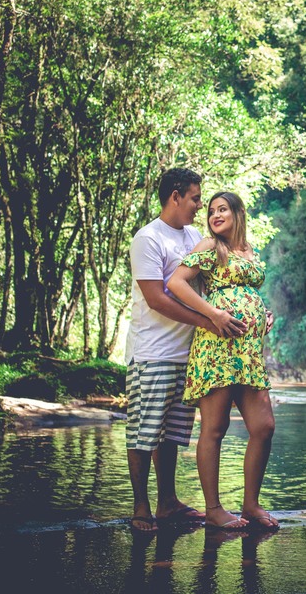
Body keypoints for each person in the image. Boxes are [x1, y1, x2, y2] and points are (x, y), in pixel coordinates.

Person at [124, 168, 238, 533]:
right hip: (152, 352)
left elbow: (214, 283)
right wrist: (207, 321)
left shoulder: (193, 236)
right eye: (194, 199)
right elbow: (156, 299)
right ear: (175, 196)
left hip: (188, 353)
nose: (199, 207)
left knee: (171, 434)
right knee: (145, 432)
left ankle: (168, 502)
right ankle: (141, 507)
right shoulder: (148, 238)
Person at [167, 191, 279, 531]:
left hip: (247, 353)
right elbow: (176, 283)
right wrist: (214, 314)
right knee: (215, 429)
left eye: (222, 209)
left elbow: (247, 293)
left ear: (238, 213)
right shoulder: (208, 246)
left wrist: (262, 313)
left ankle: (251, 504)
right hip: (216, 347)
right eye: (211, 210)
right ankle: (214, 509)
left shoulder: (248, 249)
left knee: (264, 426)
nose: (215, 215)